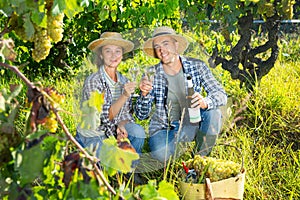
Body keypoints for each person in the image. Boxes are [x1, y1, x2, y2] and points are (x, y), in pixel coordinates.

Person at [135, 26, 227, 162]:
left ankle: (200, 160)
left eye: (166, 44)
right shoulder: (151, 73)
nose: (162, 50)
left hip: (192, 123)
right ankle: (177, 152)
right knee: (162, 155)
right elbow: (141, 115)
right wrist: (144, 95)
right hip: (163, 129)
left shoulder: (197, 66)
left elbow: (221, 94)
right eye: (157, 46)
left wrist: (205, 102)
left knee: (213, 113)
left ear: (176, 45)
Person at [75, 32, 146, 159]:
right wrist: (124, 95)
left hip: (111, 130)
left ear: (122, 55)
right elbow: (102, 118)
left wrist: (122, 125)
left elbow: (125, 114)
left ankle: (130, 171)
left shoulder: (124, 80)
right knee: (103, 167)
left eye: (117, 51)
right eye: (108, 51)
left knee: (138, 132)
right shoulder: (94, 81)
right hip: (93, 135)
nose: (113, 55)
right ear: (101, 55)